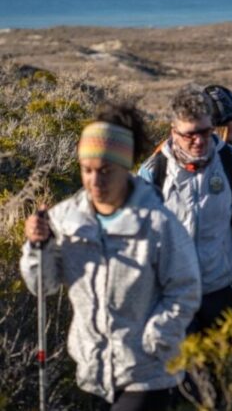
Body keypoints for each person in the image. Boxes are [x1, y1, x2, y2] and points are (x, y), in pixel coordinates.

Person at [21, 103, 201, 410]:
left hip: (148, 372)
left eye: (105, 171)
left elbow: (185, 289)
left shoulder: (158, 224)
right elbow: (43, 285)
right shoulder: (64, 219)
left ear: (125, 167)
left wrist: (156, 338)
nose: (95, 181)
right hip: (93, 372)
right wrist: (38, 246)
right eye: (87, 170)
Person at [138, 86, 232, 333]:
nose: (200, 141)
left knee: (219, 358)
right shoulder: (154, 172)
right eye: (190, 135)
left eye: (205, 132)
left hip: (220, 291)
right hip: (171, 294)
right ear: (174, 131)